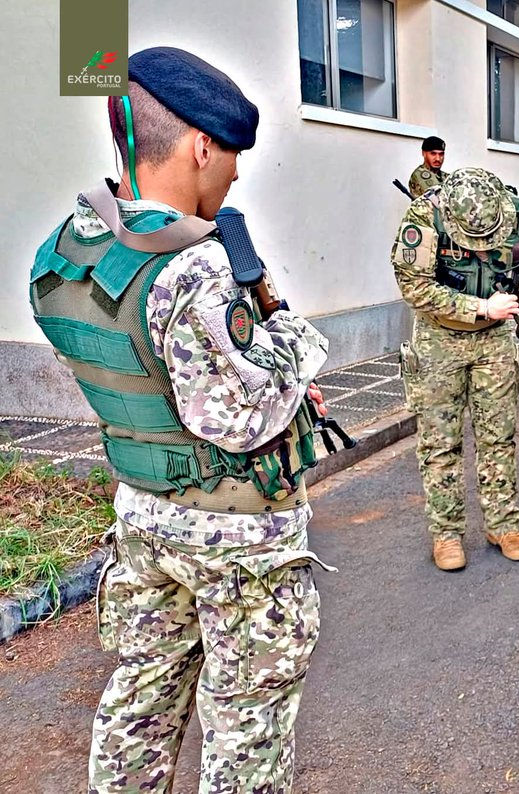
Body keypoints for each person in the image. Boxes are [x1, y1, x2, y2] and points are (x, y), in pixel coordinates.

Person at [28, 47, 332, 792]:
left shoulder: (71, 246)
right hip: (231, 538)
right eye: (231, 157)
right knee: (244, 728)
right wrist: (295, 343)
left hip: (142, 517)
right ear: (200, 145)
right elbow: (243, 415)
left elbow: (151, 373)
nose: (232, 174)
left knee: (140, 703)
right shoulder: (192, 268)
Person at [391, 167, 519, 571]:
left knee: (498, 436)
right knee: (440, 443)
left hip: (494, 341)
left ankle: (503, 524)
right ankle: (447, 534)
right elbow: (413, 286)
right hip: (439, 341)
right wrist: (479, 307)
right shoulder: (425, 216)